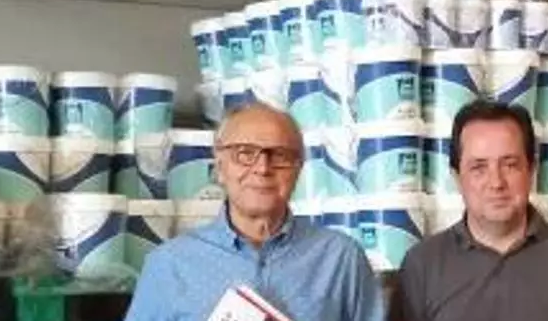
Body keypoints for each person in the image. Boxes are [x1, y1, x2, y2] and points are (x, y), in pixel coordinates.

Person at [125, 103, 385, 321]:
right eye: (245, 153)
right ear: (219, 166)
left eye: (280, 155)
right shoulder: (168, 264)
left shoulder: (341, 258)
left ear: (299, 169)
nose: (262, 168)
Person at [390, 100, 548, 321]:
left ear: (531, 171)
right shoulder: (422, 265)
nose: (496, 182)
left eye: (510, 165)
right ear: (457, 178)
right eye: (479, 167)